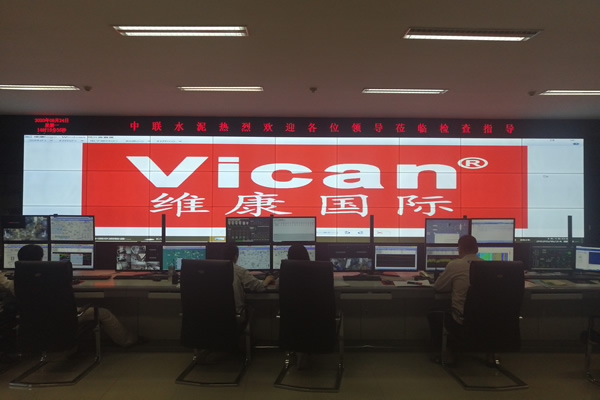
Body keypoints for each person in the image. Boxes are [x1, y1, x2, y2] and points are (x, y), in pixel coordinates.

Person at [16, 244, 138, 348]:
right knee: (104, 313)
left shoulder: (16, 280)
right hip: (62, 317)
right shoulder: (50, 279)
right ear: (41, 259)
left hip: (31, 320)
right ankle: (128, 341)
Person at [428, 235, 483, 365]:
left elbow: (439, 287)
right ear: (477, 249)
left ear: (460, 250)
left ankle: (447, 354)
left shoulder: (455, 265)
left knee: (433, 315)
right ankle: (490, 354)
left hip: (461, 319)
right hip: (487, 319)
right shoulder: (490, 267)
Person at [223, 243, 274, 313]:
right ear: (235, 256)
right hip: (237, 313)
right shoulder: (239, 271)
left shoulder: (213, 270)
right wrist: (267, 280)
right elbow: (259, 287)